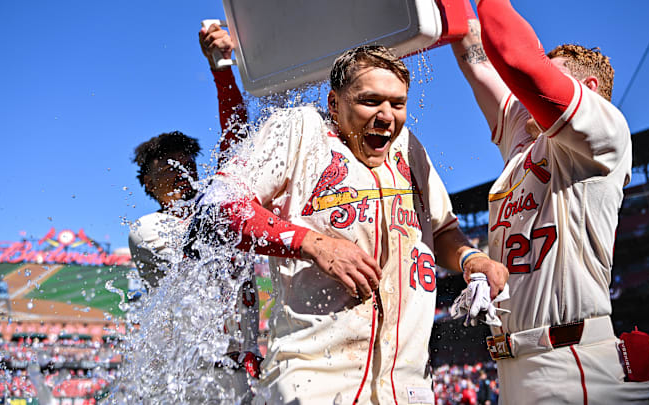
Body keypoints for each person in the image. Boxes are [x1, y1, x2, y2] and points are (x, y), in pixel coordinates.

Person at [196, 44, 508, 404]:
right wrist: (314, 244)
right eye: (370, 101)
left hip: (406, 385)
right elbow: (220, 206)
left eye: (397, 103)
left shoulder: (408, 148)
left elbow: (440, 231)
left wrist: (472, 260)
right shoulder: (299, 129)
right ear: (334, 103)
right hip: (314, 378)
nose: (387, 116)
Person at [452, 1, 649, 403]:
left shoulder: (605, 131)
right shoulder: (525, 138)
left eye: (552, 71)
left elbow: (515, 58)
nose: (525, 94)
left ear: (588, 91)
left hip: (573, 363)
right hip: (516, 366)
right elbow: (475, 55)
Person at [127, 25, 259, 403]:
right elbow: (203, 254)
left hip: (245, 365)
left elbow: (236, 137)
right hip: (200, 375)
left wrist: (223, 70)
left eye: (185, 164)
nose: (179, 173)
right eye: (165, 169)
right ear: (148, 186)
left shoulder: (214, 204)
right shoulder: (146, 229)